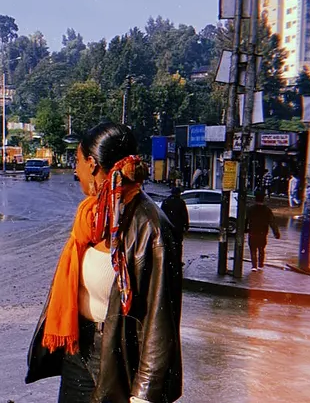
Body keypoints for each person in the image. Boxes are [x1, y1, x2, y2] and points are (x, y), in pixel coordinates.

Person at [26, 122, 183, 403]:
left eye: (77, 161)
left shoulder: (151, 227)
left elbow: (161, 323)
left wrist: (144, 396)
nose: (75, 171)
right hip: (76, 355)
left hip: (118, 364)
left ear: (92, 164)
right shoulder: (91, 216)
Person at [246, 192, 280, 271]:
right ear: (263, 200)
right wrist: (276, 233)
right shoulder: (267, 210)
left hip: (252, 232)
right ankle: (260, 265)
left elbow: (246, 220)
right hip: (263, 233)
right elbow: (272, 222)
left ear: (255, 199)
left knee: (253, 249)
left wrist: (245, 229)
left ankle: (254, 266)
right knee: (261, 249)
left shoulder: (251, 209)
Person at [161, 187, 190, 266]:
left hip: (168, 227)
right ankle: (177, 261)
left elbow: (161, 215)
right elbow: (185, 215)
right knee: (178, 245)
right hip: (178, 228)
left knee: (168, 244)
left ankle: (168, 260)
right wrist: (186, 226)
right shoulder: (181, 202)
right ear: (178, 193)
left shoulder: (166, 201)